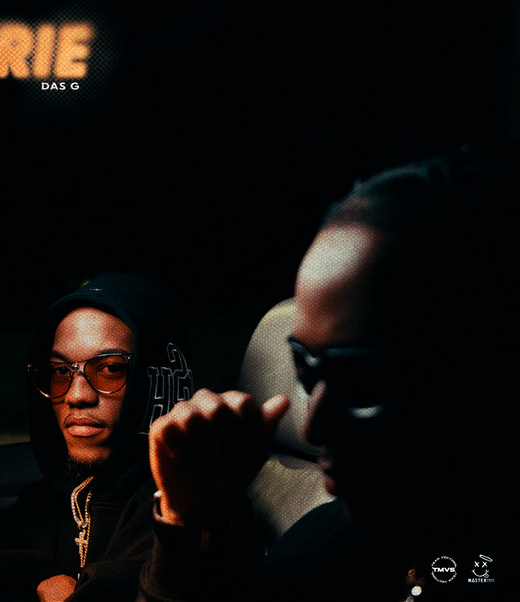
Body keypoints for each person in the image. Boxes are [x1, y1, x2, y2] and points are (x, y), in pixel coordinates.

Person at [139, 144, 516, 601]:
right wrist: (185, 519)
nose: (313, 428)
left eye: (362, 382)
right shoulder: (325, 545)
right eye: (304, 370)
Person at [0, 272, 202, 602]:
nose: (76, 395)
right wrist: (44, 579)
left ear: (158, 380)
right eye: (60, 371)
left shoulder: (188, 507)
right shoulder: (59, 495)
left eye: (110, 368)